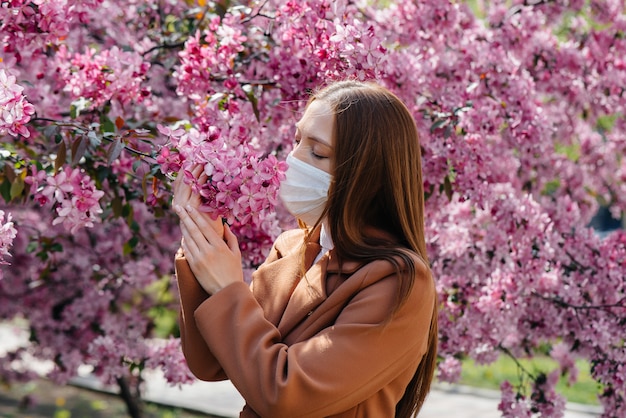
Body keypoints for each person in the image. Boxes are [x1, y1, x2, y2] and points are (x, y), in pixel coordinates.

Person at [172, 80, 438, 418]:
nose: (290, 162)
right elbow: (211, 361)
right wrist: (201, 246)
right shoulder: (292, 247)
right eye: (297, 141)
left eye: (318, 152)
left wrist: (226, 288)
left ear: (367, 174)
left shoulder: (400, 281)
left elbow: (285, 395)